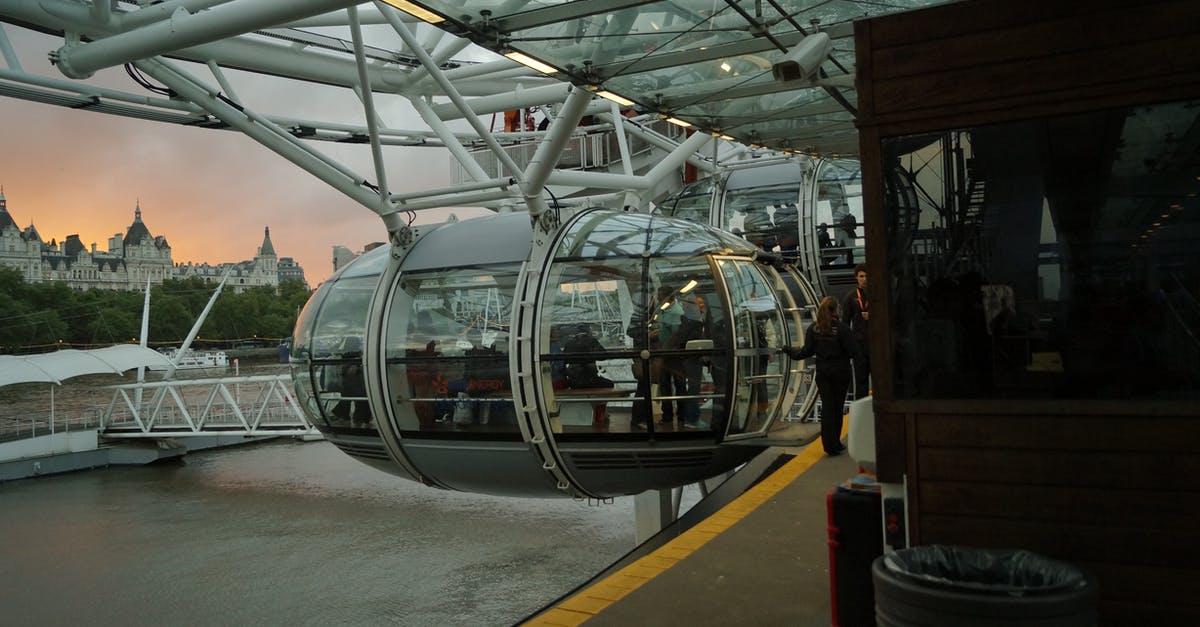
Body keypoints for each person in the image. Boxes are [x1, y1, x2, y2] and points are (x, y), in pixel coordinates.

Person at [783, 296, 859, 456]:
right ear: (834, 310)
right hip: (840, 371)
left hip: (823, 372)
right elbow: (854, 351)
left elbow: (806, 352)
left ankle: (827, 444)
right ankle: (835, 443)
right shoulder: (842, 329)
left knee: (827, 407)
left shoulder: (814, 328)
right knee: (837, 408)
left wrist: (789, 350)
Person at [841, 264, 871, 399]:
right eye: (861, 276)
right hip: (859, 346)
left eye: (867, 276)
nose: (865, 279)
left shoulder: (879, 295)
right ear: (856, 278)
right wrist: (847, 346)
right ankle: (862, 412)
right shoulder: (851, 297)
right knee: (861, 381)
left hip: (876, 344)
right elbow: (845, 323)